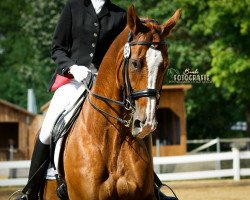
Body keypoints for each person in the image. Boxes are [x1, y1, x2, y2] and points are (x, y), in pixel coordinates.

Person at [16, 0, 126, 199]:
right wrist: (73, 68)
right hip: (73, 81)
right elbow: (57, 49)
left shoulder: (120, 15)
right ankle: (30, 191)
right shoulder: (73, 7)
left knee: (133, 125)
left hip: (106, 85)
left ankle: (152, 185)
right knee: (48, 129)